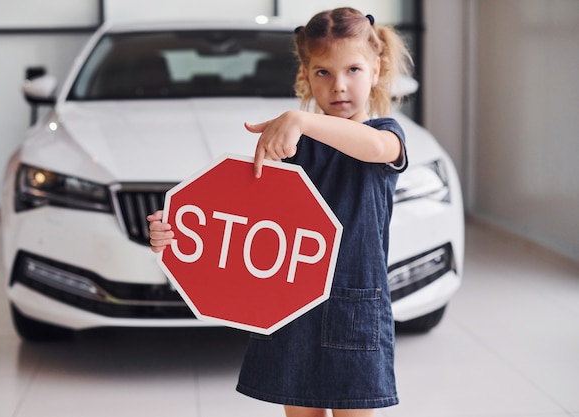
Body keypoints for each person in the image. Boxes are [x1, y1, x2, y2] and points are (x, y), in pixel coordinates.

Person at [148, 7, 412, 417]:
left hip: (353, 308)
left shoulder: (385, 136)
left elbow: (372, 148)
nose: (339, 86)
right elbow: (241, 224)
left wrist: (298, 118)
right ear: (306, 75)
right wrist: (177, 234)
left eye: (353, 70)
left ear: (376, 70)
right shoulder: (290, 148)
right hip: (291, 309)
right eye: (323, 72)